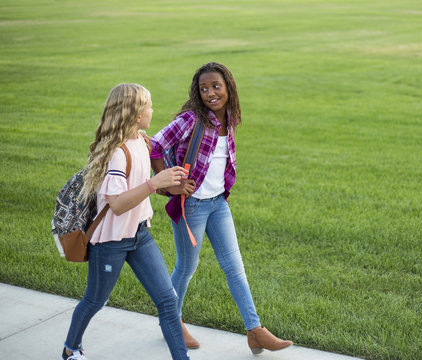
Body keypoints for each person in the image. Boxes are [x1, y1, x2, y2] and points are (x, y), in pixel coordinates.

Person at [150, 62, 293, 354]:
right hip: (192, 207)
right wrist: (170, 185)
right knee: (187, 266)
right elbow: (155, 145)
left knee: (235, 268)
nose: (211, 93)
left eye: (216, 86)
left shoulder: (229, 117)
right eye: (204, 89)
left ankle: (254, 330)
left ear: (228, 86)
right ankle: (171, 322)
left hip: (218, 204)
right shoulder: (191, 119)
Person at [61, 83, 190, 360]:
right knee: (95, 300)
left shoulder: (143, 141)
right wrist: (154, 184)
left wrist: (169, 185)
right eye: (149, 105)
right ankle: (70, 349)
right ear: (134, 112)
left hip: (140, 236)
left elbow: (143, 185)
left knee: (168, 300)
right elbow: (118, 204)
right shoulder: (117, 153)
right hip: (110, 242)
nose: (152, 110)